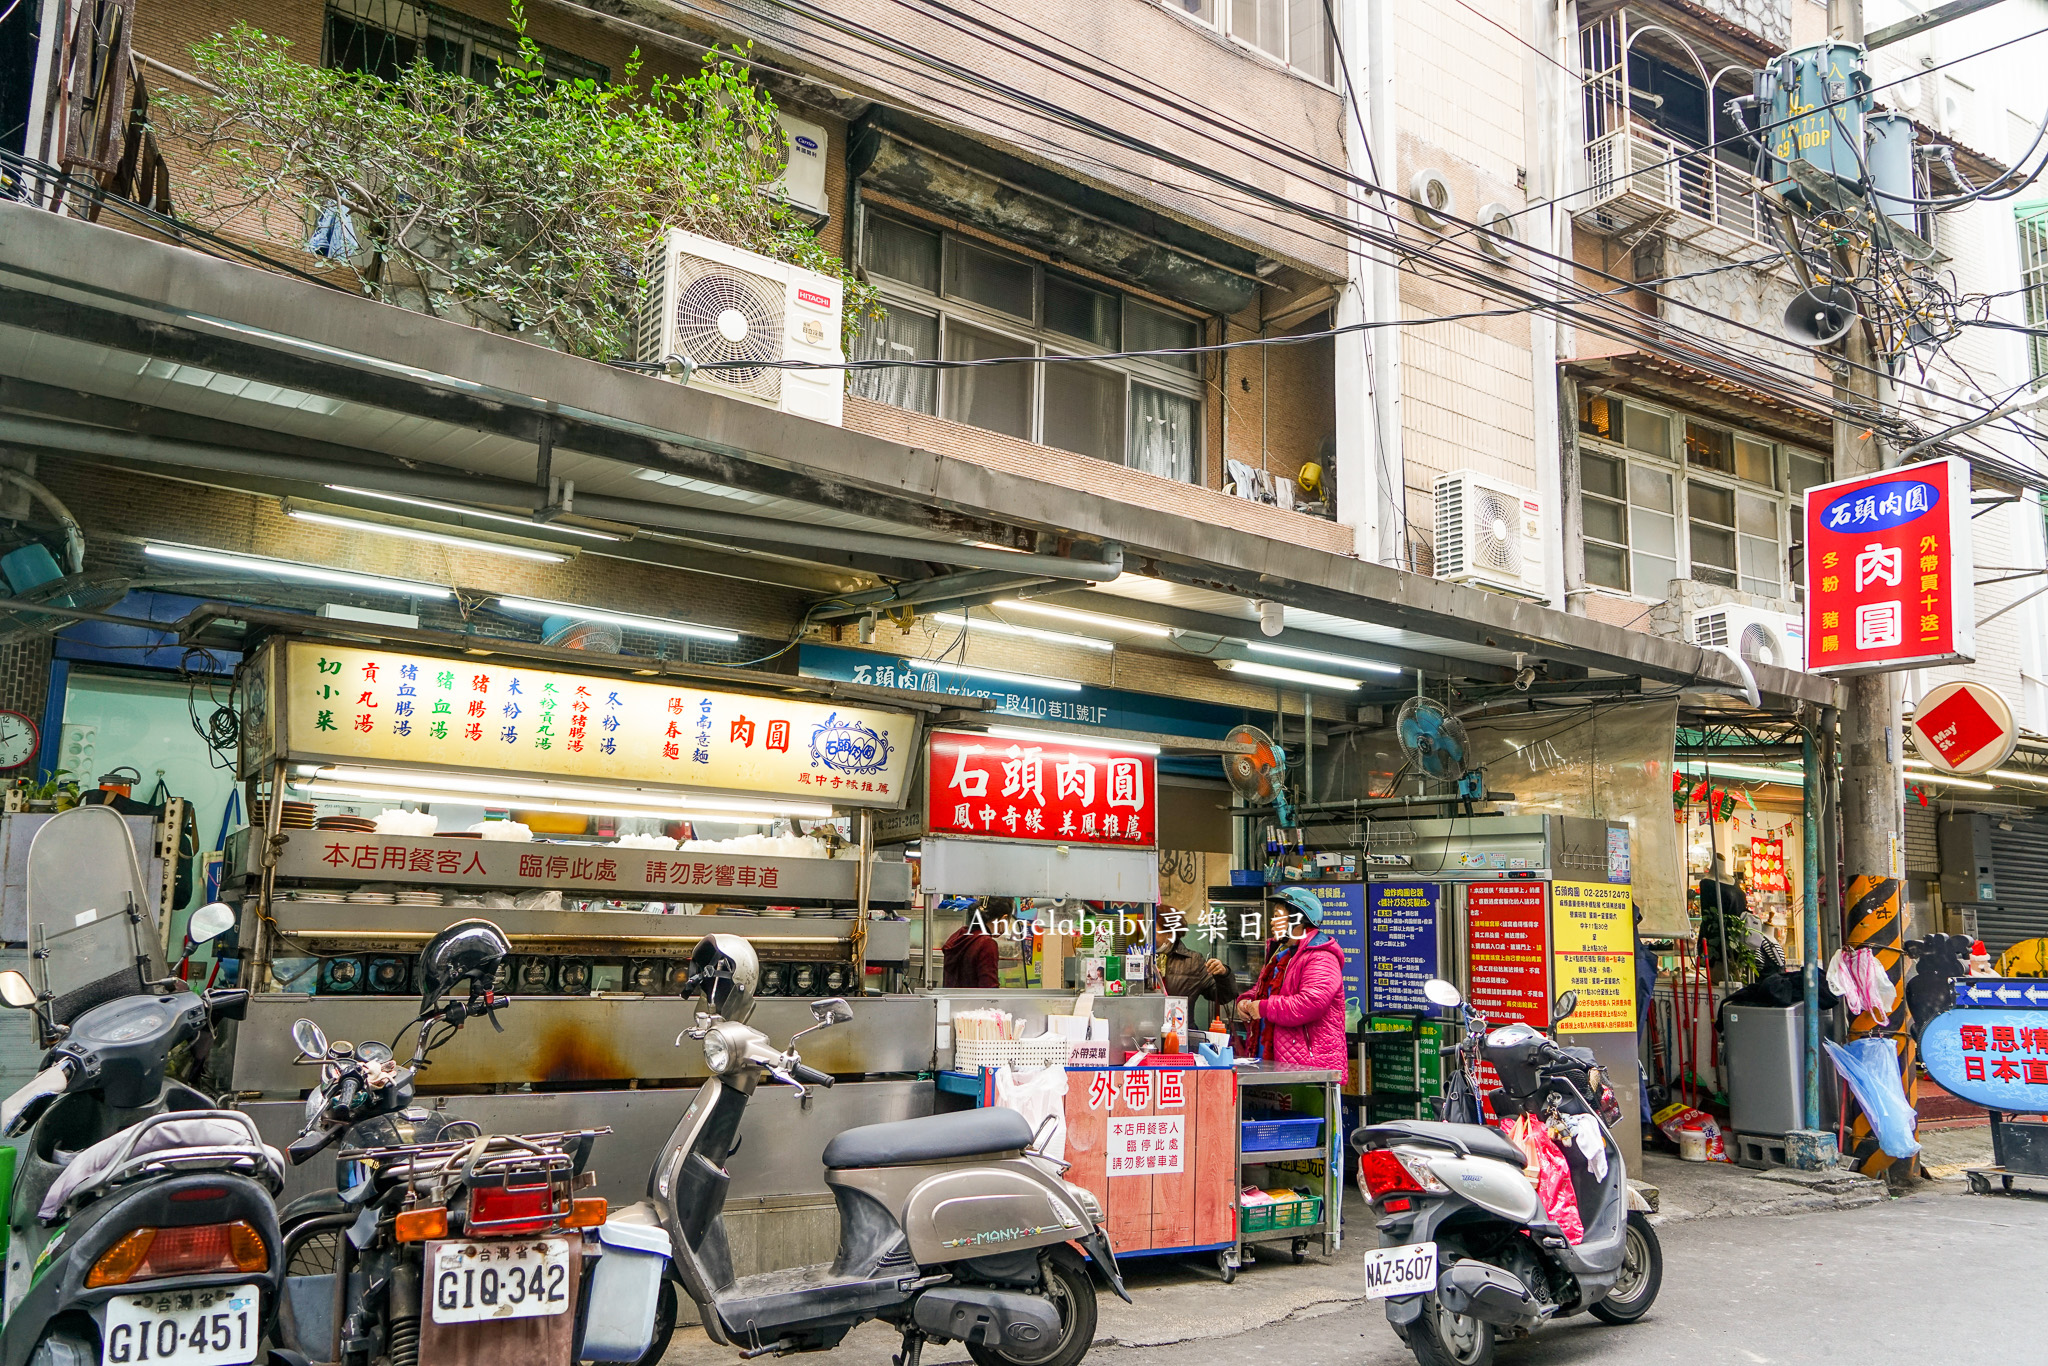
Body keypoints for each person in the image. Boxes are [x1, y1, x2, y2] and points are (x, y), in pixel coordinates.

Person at [1234, 885, 1346, 1071]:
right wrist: (1246, 1001)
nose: (1272, 922)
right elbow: (1263, 990)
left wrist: (1264, 1007)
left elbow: (1311, 1003)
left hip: (1309, 1069)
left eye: (1278, 916)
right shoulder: (1281, 954)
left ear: (1298, 920)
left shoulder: (1321, 956)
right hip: (1274, 1062)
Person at [1156, 916, 1237, 1029]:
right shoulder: (1140, 958)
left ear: (1170, 934)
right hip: (1144, 1032)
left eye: (1154, 931)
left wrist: (1223, 974)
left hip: (1181, 1033)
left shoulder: (1193, 961)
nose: (1148, 936)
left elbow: (1223, 997)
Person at [941, 909, 999, 988]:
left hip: (954, 998)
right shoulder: (986, 943)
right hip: (974, 999)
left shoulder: (958, 936)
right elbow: (988, 986)